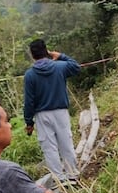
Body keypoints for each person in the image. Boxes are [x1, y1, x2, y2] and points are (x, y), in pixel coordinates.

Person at [23, 39, 81, 185]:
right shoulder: (60, 67)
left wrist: (29, 122)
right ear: (46, 51)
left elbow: (29, 102)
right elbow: (76, 66)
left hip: (42, 115)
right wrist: (60, 55)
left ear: (32, 55)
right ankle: (72, 174)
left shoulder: (30, 75)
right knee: (66, 142)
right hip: (61, 112)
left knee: (49, 147)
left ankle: (59, 178)